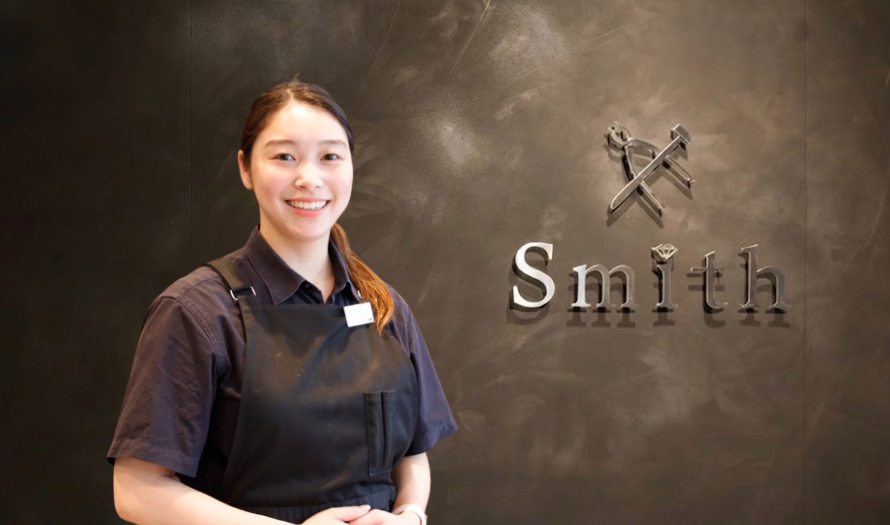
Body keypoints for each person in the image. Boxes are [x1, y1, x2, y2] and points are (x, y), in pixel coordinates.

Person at [108, 80, 457, 525]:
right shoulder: (196, 311)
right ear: (245, 168)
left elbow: (412, 455)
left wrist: (410, 514)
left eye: (330, 156)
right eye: (284, 156)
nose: (309, 178)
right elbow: (137, 490)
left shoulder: (385, 307)